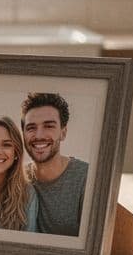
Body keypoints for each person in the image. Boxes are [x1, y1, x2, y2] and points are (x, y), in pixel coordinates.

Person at [22, 92, 89, 236]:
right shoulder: (18, 178)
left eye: (49, 126)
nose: (39, 135)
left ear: (63, 133)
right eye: (31, 128)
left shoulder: (86, 177)